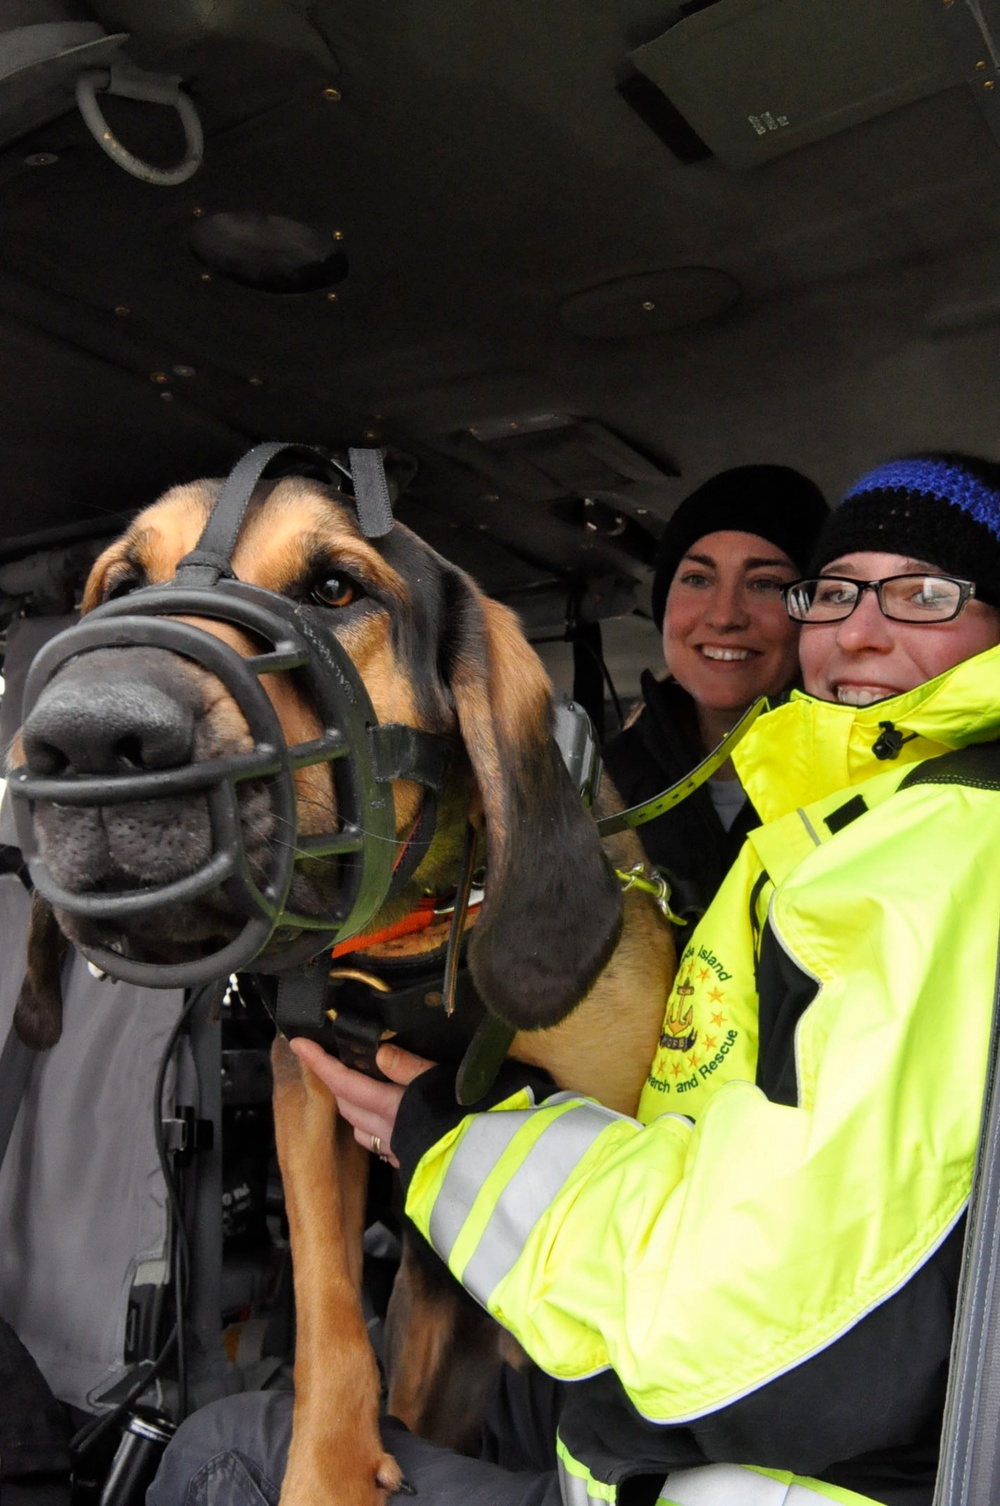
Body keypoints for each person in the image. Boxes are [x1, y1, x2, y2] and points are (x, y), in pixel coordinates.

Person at [151, 452, 1000, 1506]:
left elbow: (773, 1317)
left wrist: (449, 1145)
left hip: (724, 1426)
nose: (862, 630)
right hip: (632, 1382)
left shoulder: (937, 848)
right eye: (836, 592)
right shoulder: (817, 815)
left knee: (220, 1455)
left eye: (925, 594)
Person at [602, 465, 828, 924]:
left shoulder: (865, 777)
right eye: (698, 580)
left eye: (764, 584)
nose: (725, 616)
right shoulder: (602, 784)